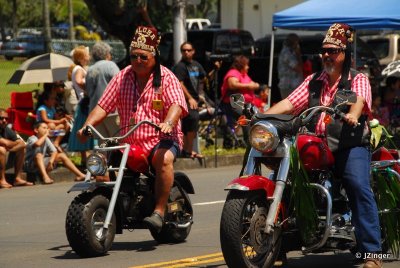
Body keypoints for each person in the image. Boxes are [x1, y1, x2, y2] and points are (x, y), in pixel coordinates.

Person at [265, 23, 382, 268]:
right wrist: (262, 117)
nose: (327, 55)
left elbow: (359, 100)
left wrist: (353, 113)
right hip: (317, 145)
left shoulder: (357, 78)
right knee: (284, 180)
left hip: (348, 144)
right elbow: (289, 103)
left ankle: (372, 253)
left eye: (333, 51)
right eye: (324, 51)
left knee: (358, 185)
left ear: (345, 54)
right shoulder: (313, 81)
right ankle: (277, 246)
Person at [78, 26, 188, 234]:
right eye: (134, 56)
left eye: (143, 57)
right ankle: (110, 206)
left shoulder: (167, 77)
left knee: (163, 159)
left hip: (161, 138)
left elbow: (176, 105)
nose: (137, 60)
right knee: (101, 163)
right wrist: (87, 126)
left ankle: (159, 211)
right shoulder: (122, 77)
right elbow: (103, 105)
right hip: (130, 140)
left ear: (154, 56)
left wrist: (169, 122)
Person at [172, 41, 207, 158]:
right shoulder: (180, 66)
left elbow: (204, 79)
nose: (186, 52)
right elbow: (179, 83)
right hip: (185, 100)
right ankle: (187, 150)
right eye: (183, 50)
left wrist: (216, 69)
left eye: (188, 50)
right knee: (191, 120)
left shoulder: (197, 65)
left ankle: (187, 150)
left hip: (195, 100)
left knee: (191, 124)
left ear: (193, 51)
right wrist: (190, 98)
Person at [220, 55, 260, 148]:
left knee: (257, 115)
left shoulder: (243, 74)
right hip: (234, 103)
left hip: (246, 103)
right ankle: (249, 143)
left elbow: (251, 83)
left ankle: (255, 141)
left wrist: (255, 85)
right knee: (246, 116)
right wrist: (249, 86)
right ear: (241, 65)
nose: (248, 67)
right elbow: (232, 84)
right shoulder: (233, 72)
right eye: (246, 65)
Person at [85, 41, 120, 138]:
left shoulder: (90, 69)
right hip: (111, 112)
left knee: (102, 143)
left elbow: (87, 91)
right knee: (117, 141)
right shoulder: (110, 65)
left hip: (94, 112)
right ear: (107, 53)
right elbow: (120, 84)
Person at [67, 45, 92, 166]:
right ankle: (87, 159)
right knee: (88, 128)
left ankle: (85, 159)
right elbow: (78, 81)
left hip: (82, 102)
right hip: (85, 102)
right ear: (82, 57)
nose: (89, 57)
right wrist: (88, 88)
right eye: (87, 55)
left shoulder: (76, 68)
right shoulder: (79, 69)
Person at [0, 109, 33, 188]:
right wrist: (13, 144)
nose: (4, 120)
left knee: (21, 149)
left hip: (4, 157)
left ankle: (17, 178)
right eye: (1, 118)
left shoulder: (6, 129)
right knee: (1, 149)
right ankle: (2, 179)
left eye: (6, 119)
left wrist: (10, 149)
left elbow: (22, 143)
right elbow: (5, 143)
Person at [277, 33, 303, 99]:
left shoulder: (291, 52)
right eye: (297, 42)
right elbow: (298, 68)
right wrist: (298, 54)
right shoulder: (286, 53)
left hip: (292, 86)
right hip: (288, 87)